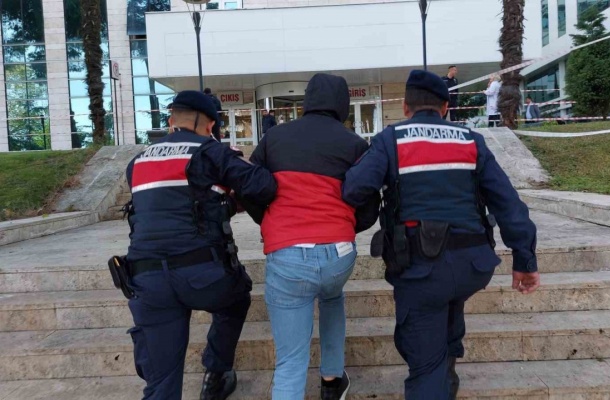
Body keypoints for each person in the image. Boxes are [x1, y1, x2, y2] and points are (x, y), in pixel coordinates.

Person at [341, 70, 540, 399]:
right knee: (449, 302)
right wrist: (525, 260)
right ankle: (447, 371)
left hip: (420, 269)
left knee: (425, 363)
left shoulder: (392, 139)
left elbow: (353, 189)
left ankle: (437, 377)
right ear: (446, 107)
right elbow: (508, 203)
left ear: (406, 107)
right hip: (473, 265)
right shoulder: (471, 141)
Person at [124, 91, 277, 400]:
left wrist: (218, 202)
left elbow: (169, 205)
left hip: (145, 280)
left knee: (160, 386)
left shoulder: (137, 161)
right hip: (203, 275)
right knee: (237, 298)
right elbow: (263, 186)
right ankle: (216, 375)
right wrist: (231, 200)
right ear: (209, 124)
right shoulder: (210, 152)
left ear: (171, 120)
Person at [249, 73, 378, 400]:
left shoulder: (274, 138)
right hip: (339, 256)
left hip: (288, 255)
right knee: (331, 295)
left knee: (291, 362)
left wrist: (268, 221)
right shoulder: (354, 144)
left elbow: (249, 186)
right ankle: (332, 380)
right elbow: (370, 204)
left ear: (307, 101)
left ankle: (317, 381)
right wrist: (345, 228)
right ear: (342, 104)